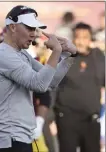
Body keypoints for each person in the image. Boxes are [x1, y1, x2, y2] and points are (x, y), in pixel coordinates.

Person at [0, 5, 77, 152]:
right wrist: (56, 52)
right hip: (9, 139)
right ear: (13, 27)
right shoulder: (3, 55)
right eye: (29, 28)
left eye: (35, 29)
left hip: (18, 137)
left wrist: (69, 56)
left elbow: (51, 81)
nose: (33, 34)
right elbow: (39, 84)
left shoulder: (21, 54)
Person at [54, 22, 105, 152]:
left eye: (85, 37)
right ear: (73, 39)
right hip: (67, 119)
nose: (81, 41)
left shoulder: (98, 57)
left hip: (91, 120)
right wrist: (49, 118)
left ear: (90, 40)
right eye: (78, 37)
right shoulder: (64, 58)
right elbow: (52, 88)